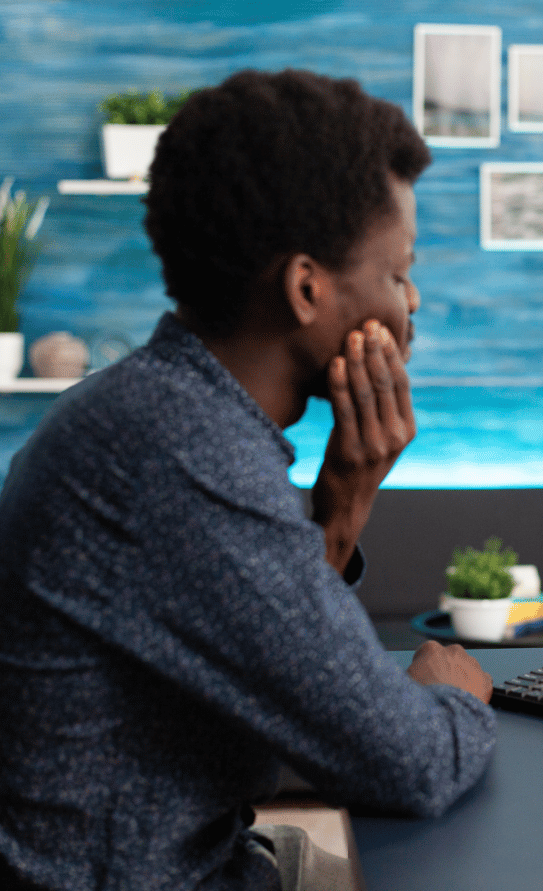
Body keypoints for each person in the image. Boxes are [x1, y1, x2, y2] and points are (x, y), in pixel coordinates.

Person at [0, 70, 497, 891]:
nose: (412, 304)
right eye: (399, 273)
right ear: (308, 288)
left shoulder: (156, 410)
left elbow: (285, 673)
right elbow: (407, 764)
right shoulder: (183, 453)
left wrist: (342, 505)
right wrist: (459, 700)